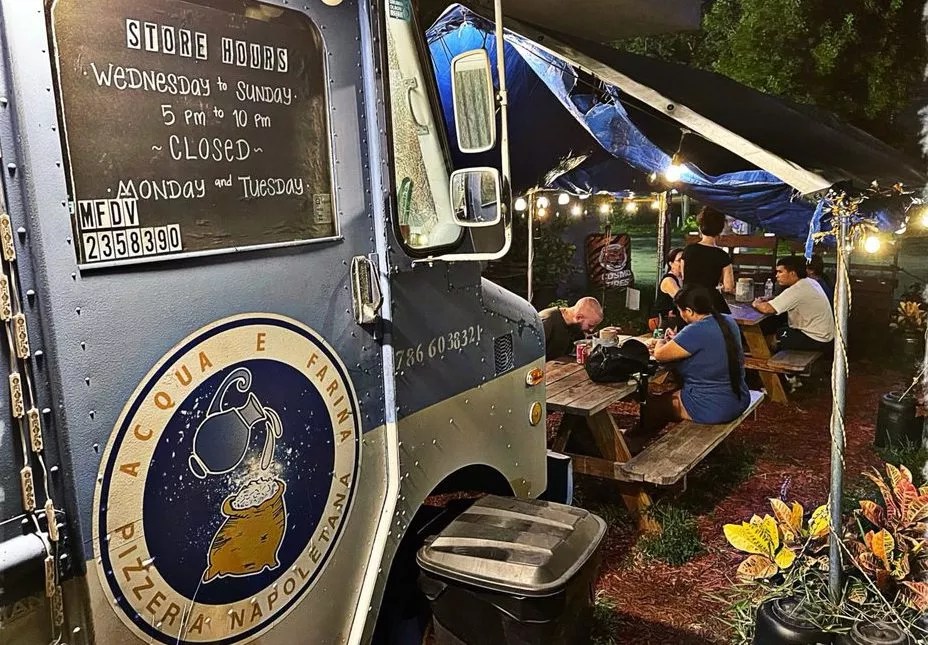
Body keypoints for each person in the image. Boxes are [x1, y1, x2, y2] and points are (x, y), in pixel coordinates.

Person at [646, 284, 750, 425]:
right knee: (669, 397)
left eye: (680, 311)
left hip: (713, 406)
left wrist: (660, 341)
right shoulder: (728, 320)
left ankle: (636, 437)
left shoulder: (695, 330)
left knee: (653, 405)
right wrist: (677, 340)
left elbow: (659, 355)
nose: (681, 315)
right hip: (739, 398)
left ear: (689, 311)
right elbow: (706, 345)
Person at [752, 256, 834, 352]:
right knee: (776, 324)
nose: (776, 276)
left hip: (815, 338)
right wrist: (773, 299)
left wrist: (756, 303)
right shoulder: (809, 282)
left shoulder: (798, 289)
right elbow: (791, 299)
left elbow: (767, 309)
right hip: (825, 336)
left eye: (780, 272)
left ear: (792, 273)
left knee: (772, 337)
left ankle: (762, 356)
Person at [682, 207, 734, 314]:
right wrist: (720, 286)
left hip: (688, 300)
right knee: (727, 322)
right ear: (720, 230)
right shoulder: (722, 256)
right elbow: (729, 287)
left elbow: (684, 276)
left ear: (700, 228)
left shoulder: (688, 250)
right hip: (710, 301)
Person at [539, 297, 604, 359]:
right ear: (579, 317)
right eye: (590, 326)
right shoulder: (547, 322)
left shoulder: (576, 324)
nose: (591, 330)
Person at [651, 247, 684, 331]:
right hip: (666, 322)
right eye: (679, 260)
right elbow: (682, 299)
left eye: (684, 260)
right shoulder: (669, 280)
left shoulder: (683, 279)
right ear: (671, 263)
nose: (683, 263)